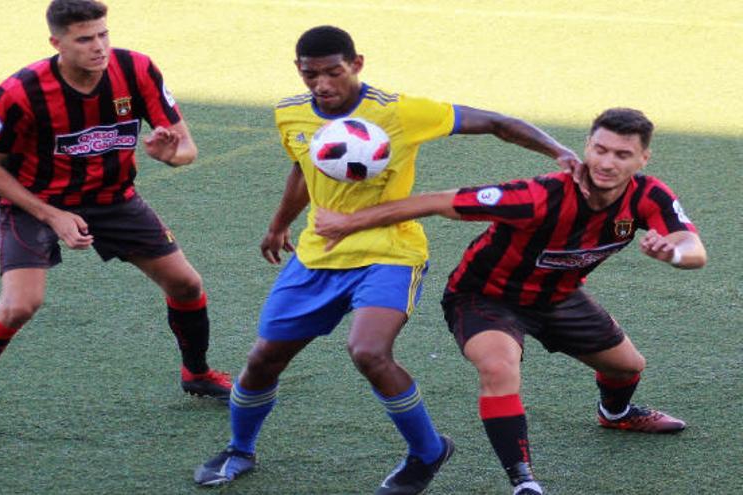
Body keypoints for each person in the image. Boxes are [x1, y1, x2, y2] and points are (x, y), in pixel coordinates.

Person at [194, 25, 585, 494]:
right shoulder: (290, 114)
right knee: (263, 359)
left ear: (357, 64)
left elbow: (496, 122)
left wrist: (559, 151)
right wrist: (280, 223)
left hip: (390, 252)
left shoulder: (399, 112)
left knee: (369, 351)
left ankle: (427, 451)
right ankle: (240, 449)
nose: (322, 85)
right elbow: (304, 166)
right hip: (320, 254)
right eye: (310, 74)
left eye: (333, 72)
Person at [314, 107, 707, 494]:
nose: (607, 162)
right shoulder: (538, 196)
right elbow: (436, 201)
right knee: (500, 367)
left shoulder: (648, 195)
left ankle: (615, 413)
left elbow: (694, 248)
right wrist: (348, 223)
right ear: (587, 146)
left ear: (643, 158)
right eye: (600, 149)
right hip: (484, 297)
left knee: (627, 367)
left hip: (558, 297)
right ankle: (525, 483)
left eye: (622, 155)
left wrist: (672, 253)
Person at [0, 0, 232, 445]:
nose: (99, 47)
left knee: (186, 284)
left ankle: (197, 371)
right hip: (35, 202)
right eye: (85, 39)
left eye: (103, 34)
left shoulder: (137, 70)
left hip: (113, 199)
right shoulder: (19, 92)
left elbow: (185, 145)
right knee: (19, 306)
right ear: (57, 43)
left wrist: (173, 156)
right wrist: (53, 216)